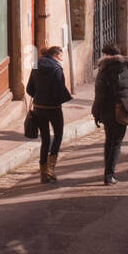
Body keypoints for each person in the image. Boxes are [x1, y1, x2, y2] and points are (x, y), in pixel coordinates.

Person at [92, 44, 128, 185]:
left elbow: (100, 96)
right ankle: (109, 174)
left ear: (107, 55)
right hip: (122, 109)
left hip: (107, 110)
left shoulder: (103, 72)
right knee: (116, 142)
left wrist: (95, 113)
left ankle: (108, 173)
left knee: (109, 141)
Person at [26, 45, 72, 183]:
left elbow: (29, 88)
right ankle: (50, 170)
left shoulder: (36, 66)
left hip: (39, 107)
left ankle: (43, 174)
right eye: (62, 55)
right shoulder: (57, 69)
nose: (62, 58)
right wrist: (62, 99)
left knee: (45, 139)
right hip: (53, 108)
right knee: (58, 136)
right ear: (57, 55)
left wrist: (39, 97)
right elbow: (59, 89)